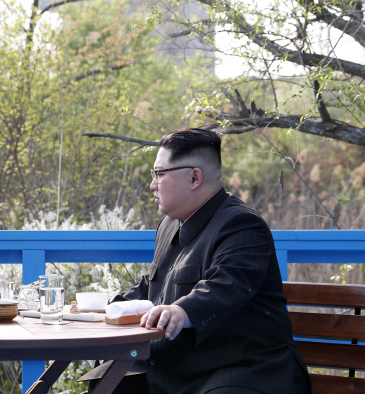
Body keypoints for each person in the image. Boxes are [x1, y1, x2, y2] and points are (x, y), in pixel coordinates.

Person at [82, 128, 311, 394]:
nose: (152, 184)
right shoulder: (170, 224)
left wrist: (181, 311)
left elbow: (226, 285)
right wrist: (104, 309)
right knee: (106, 384)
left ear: (194, 177)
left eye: (159, 173)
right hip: (180, 369)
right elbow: (154, 286)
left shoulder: (242, 225)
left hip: (245, 370)